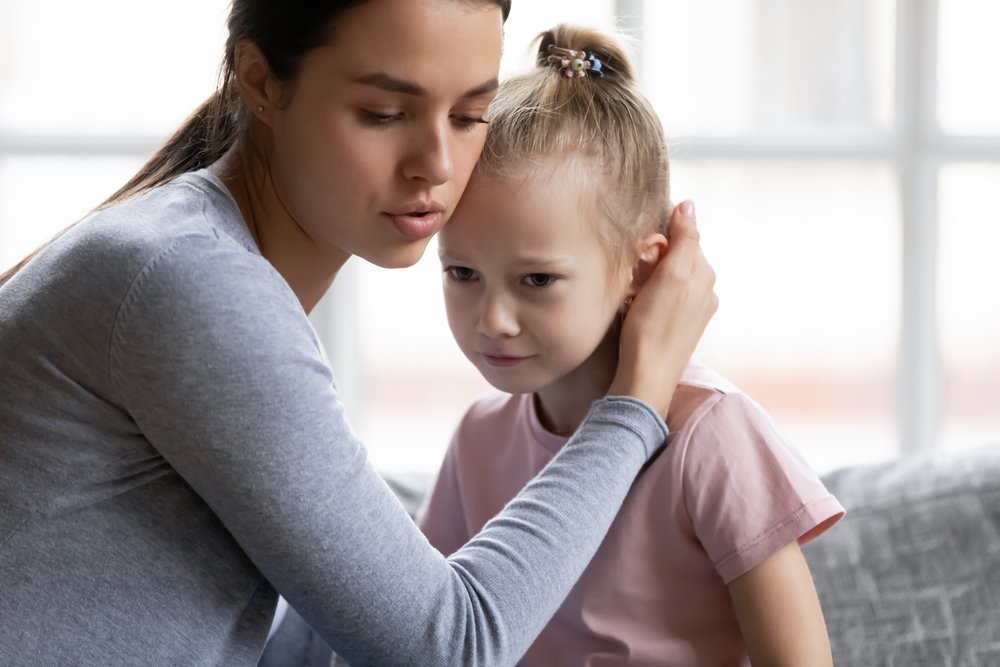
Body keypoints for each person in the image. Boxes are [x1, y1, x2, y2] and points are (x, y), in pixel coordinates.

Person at [0, 2, 718, 665]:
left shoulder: (185, 254)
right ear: (261, 82)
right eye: (383, 112)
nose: (436, 165)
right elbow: (449, 647)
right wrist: (637, 398)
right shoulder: (191, 283)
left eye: (470, 116)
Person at [417, 24, 844, 666]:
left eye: (537, 279)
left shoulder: (712, 437)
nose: (493, 319)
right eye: (462, 274)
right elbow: (419, 641)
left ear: (641, 270)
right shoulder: (478, 439)